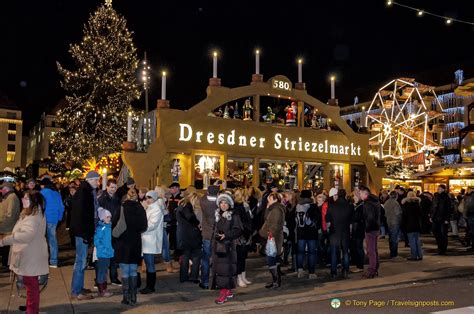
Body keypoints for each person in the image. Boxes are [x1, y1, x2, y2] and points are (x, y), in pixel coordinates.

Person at [0, 191, 48, 314]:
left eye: (26, 199)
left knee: (31, 286)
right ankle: (30, 307)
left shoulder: (33, 216)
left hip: (31, 255)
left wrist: (5, 240)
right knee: (29, 284)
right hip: (29, 254)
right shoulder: (30, 213)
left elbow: (26, 235)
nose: (23, 200)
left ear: (34, 201)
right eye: (23, 198)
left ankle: (32, 310)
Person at [70, 171, 101, 301]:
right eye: (97, 180)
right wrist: (84, 234)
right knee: (80, 261)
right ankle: (76, 291)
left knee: (81, 260)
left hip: (82, 231)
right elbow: (81, 215)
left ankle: (78, 287)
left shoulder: (86, 191)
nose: (98, 182)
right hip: (81, 232)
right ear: (91, 180)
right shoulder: (84, 192)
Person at [114, 188, 148, 305]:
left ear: (127, 197)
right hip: (135, 242)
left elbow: (115, 225)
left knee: (124, 271)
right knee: (133, 270)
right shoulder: (140, 209)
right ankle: (133, 296)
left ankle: (126, 296)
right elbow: (144, 227)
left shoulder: (121, 208)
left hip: (123, 242)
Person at [212, 193, 242, 304]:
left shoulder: (234, 215)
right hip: (218, 247)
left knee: (224, 271)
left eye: (225, 203)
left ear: (229, 204)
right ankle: (228, 291)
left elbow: (238, 230)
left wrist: (226, 235)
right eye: (221, 203)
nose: (223, 205)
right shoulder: (217, 214)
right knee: (221, 270)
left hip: (228, 247)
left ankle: (223, 293)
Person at [97, 179, 121, 286]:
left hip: (114, 227)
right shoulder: (102, 199)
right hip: (104, 228)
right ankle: (100, 280)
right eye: (112, 187)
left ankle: (114, 277)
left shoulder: (117, 199)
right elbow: (99, 212)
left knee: (114, 255)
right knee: (102, 255)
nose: (113, 189)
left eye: (115, 187)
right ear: (107, 187)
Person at [259, 192, 285, 289]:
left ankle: (276, 281)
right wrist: (267, 207)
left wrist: (264, 234)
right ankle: (276, 281)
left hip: (273, 239)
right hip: (273, 239)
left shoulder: (276, 210)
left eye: (269, 199)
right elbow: (266, 218)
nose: (268, 200)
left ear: (275, 199)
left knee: (271, 261)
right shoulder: (273, 208)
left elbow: (274, 226)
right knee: (274, 260)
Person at [140, 190, 164, 294]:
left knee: (150, 264)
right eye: (147, 198)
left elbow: (152, 225)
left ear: (154, 198)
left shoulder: (156, 209)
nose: (148, 200)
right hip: (146, 238)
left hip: (151, 239)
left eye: (150, 198)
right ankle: (149, 285)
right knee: (148, 262)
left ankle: (150, 286)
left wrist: (140, 228)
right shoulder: (150, 208)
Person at [326, 188, 353, 279]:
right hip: (345, 232)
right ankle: (345, 269)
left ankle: (333, 272)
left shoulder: (332, 206)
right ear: (345, 195)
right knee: (345, 252)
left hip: (334, 232)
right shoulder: (349, 206)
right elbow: (351, 221)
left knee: (334, 252)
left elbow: (327, 220)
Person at [176, 192, 202, 283]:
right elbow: (190, 217)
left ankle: (184, 277)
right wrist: (197, 223)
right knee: (196, 255)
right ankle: (193, 276)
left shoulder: (181, 205)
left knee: (185, 255)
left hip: (183, 234)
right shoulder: (188, 206)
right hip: (191, 234)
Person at [295, 190, 320, 279]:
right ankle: (311, 272)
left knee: (300, 252)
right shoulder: (313, 206)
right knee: (312, 253)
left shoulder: (297, 206)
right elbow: (318, 219)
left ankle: (300, 270)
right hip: (311, 233)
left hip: (300, 233)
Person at [39, 177, 64, 268]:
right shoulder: (56, 193)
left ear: (43, 185)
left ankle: (41, 259)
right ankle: (54, 261)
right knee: (52, 240)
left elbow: (40, 207)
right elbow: (61, 207)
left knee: (41, 240)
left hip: (44, 219)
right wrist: (59, 218)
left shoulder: (42, 193)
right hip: (54, 220)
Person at [199, 185, 219, 289]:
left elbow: (202, 196)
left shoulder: (204, 202)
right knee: (217, 258)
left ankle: (205, 281)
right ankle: (216, 281)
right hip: (217, 234)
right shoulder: (219, 203)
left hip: (207, 234)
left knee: (205, 259)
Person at [359, 186, 381, 279]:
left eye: (360, 193)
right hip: (376, 228)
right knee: (374, 249)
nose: (360, 195)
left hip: (371, 229)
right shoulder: (375, 201)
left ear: (365, 193)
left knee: (370, 250)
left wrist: (367, 228)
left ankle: (372, 270)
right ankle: (375, 267)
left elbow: (370, 218)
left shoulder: (368, 204)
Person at [233, 188, 253, 287]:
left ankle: (243, 276)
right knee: (240, 257)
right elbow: (241, 222)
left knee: (243, 257)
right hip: (240, 235)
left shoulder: (244, 206)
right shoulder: (237, 207)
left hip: (246, 234)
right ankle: (239, 277)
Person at [0, 182, 21, 271]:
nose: (0, 190)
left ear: (7, 189)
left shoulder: (12, 197)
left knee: (6, 247)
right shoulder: (6, 197)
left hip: (7, 227)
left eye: (2, 188)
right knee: (4, 246)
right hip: (4, 226)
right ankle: (5, 263)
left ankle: (6, 265)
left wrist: (1, 221)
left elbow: (10, 214)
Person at [94, 208, 114, 297]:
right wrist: (104, 249)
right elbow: (97, 241)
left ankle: (104, 288)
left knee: (105, 271)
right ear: (102, 218)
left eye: (110, 217)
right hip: (103, 254)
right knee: (102, 272)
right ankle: (101, 290)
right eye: (107, 217)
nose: (109, 219)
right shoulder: (101, 228)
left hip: (108, 253)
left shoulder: (109, 227)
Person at [401, 191, 423, 261]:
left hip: (409, 224)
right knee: (417, 240)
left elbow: (404, 216)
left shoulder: (406, 205)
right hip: (417, 224)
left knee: (412, 241)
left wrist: (403, 226)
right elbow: (421, 215)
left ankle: (414, 256)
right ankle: (420, 255)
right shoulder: (417, 204)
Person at [430, 184, 452, 255]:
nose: (438, 189)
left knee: (443, 234)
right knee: (436, 233)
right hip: (436, 218)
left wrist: (447, 219)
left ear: (443, 189)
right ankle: (440, 248)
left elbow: (448, 209)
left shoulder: (446, 197)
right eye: (438, 188)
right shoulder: (436, 197)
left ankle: (443, 249)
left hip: (442, 218)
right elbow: (433, 207)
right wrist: (431, 216)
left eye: (439, 188)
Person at [384, 191, 402, 258]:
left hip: (388, 222)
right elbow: (398, 213)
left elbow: (384, 213)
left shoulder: (386, 203)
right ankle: (394, 254)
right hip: (395, 222)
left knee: (391, 238)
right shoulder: (396, 203)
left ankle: (392, 252)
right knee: (394, 239)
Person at [351, 189, 365, 272]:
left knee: (359, 247)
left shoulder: (360, 206)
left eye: (354, 196)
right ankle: (359, 265)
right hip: (358, 229)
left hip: (359, 229)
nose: (353, 197)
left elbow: (357, 218)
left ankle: (360, 266)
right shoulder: (358, 205)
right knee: (358, 247)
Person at [167, 182, 182, 261]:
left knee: (177, 238)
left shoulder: (180, 198)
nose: (171, 190)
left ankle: (178, 254)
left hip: (177, 222)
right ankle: (174, 252)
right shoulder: (170, 198)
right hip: (171, 221)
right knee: (172, 238)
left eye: (172, 188)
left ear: (177, 188)